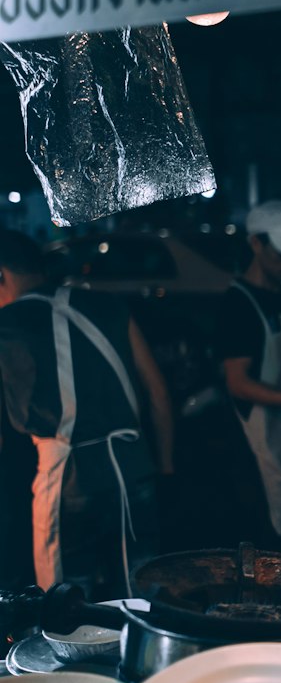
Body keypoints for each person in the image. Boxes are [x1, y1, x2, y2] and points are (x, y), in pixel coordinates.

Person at [0, 228, 173, 596]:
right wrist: (165, 467)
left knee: (68, 604)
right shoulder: (107, 305)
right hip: (134, 473)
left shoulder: (8, 325)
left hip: (68, 483)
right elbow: (158, 394)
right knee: (142, 594)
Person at [218, 201, 281, 546]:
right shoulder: (238, 304)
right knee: (272, 540)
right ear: (256, 244)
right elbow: (239, 383)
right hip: (258, 437)